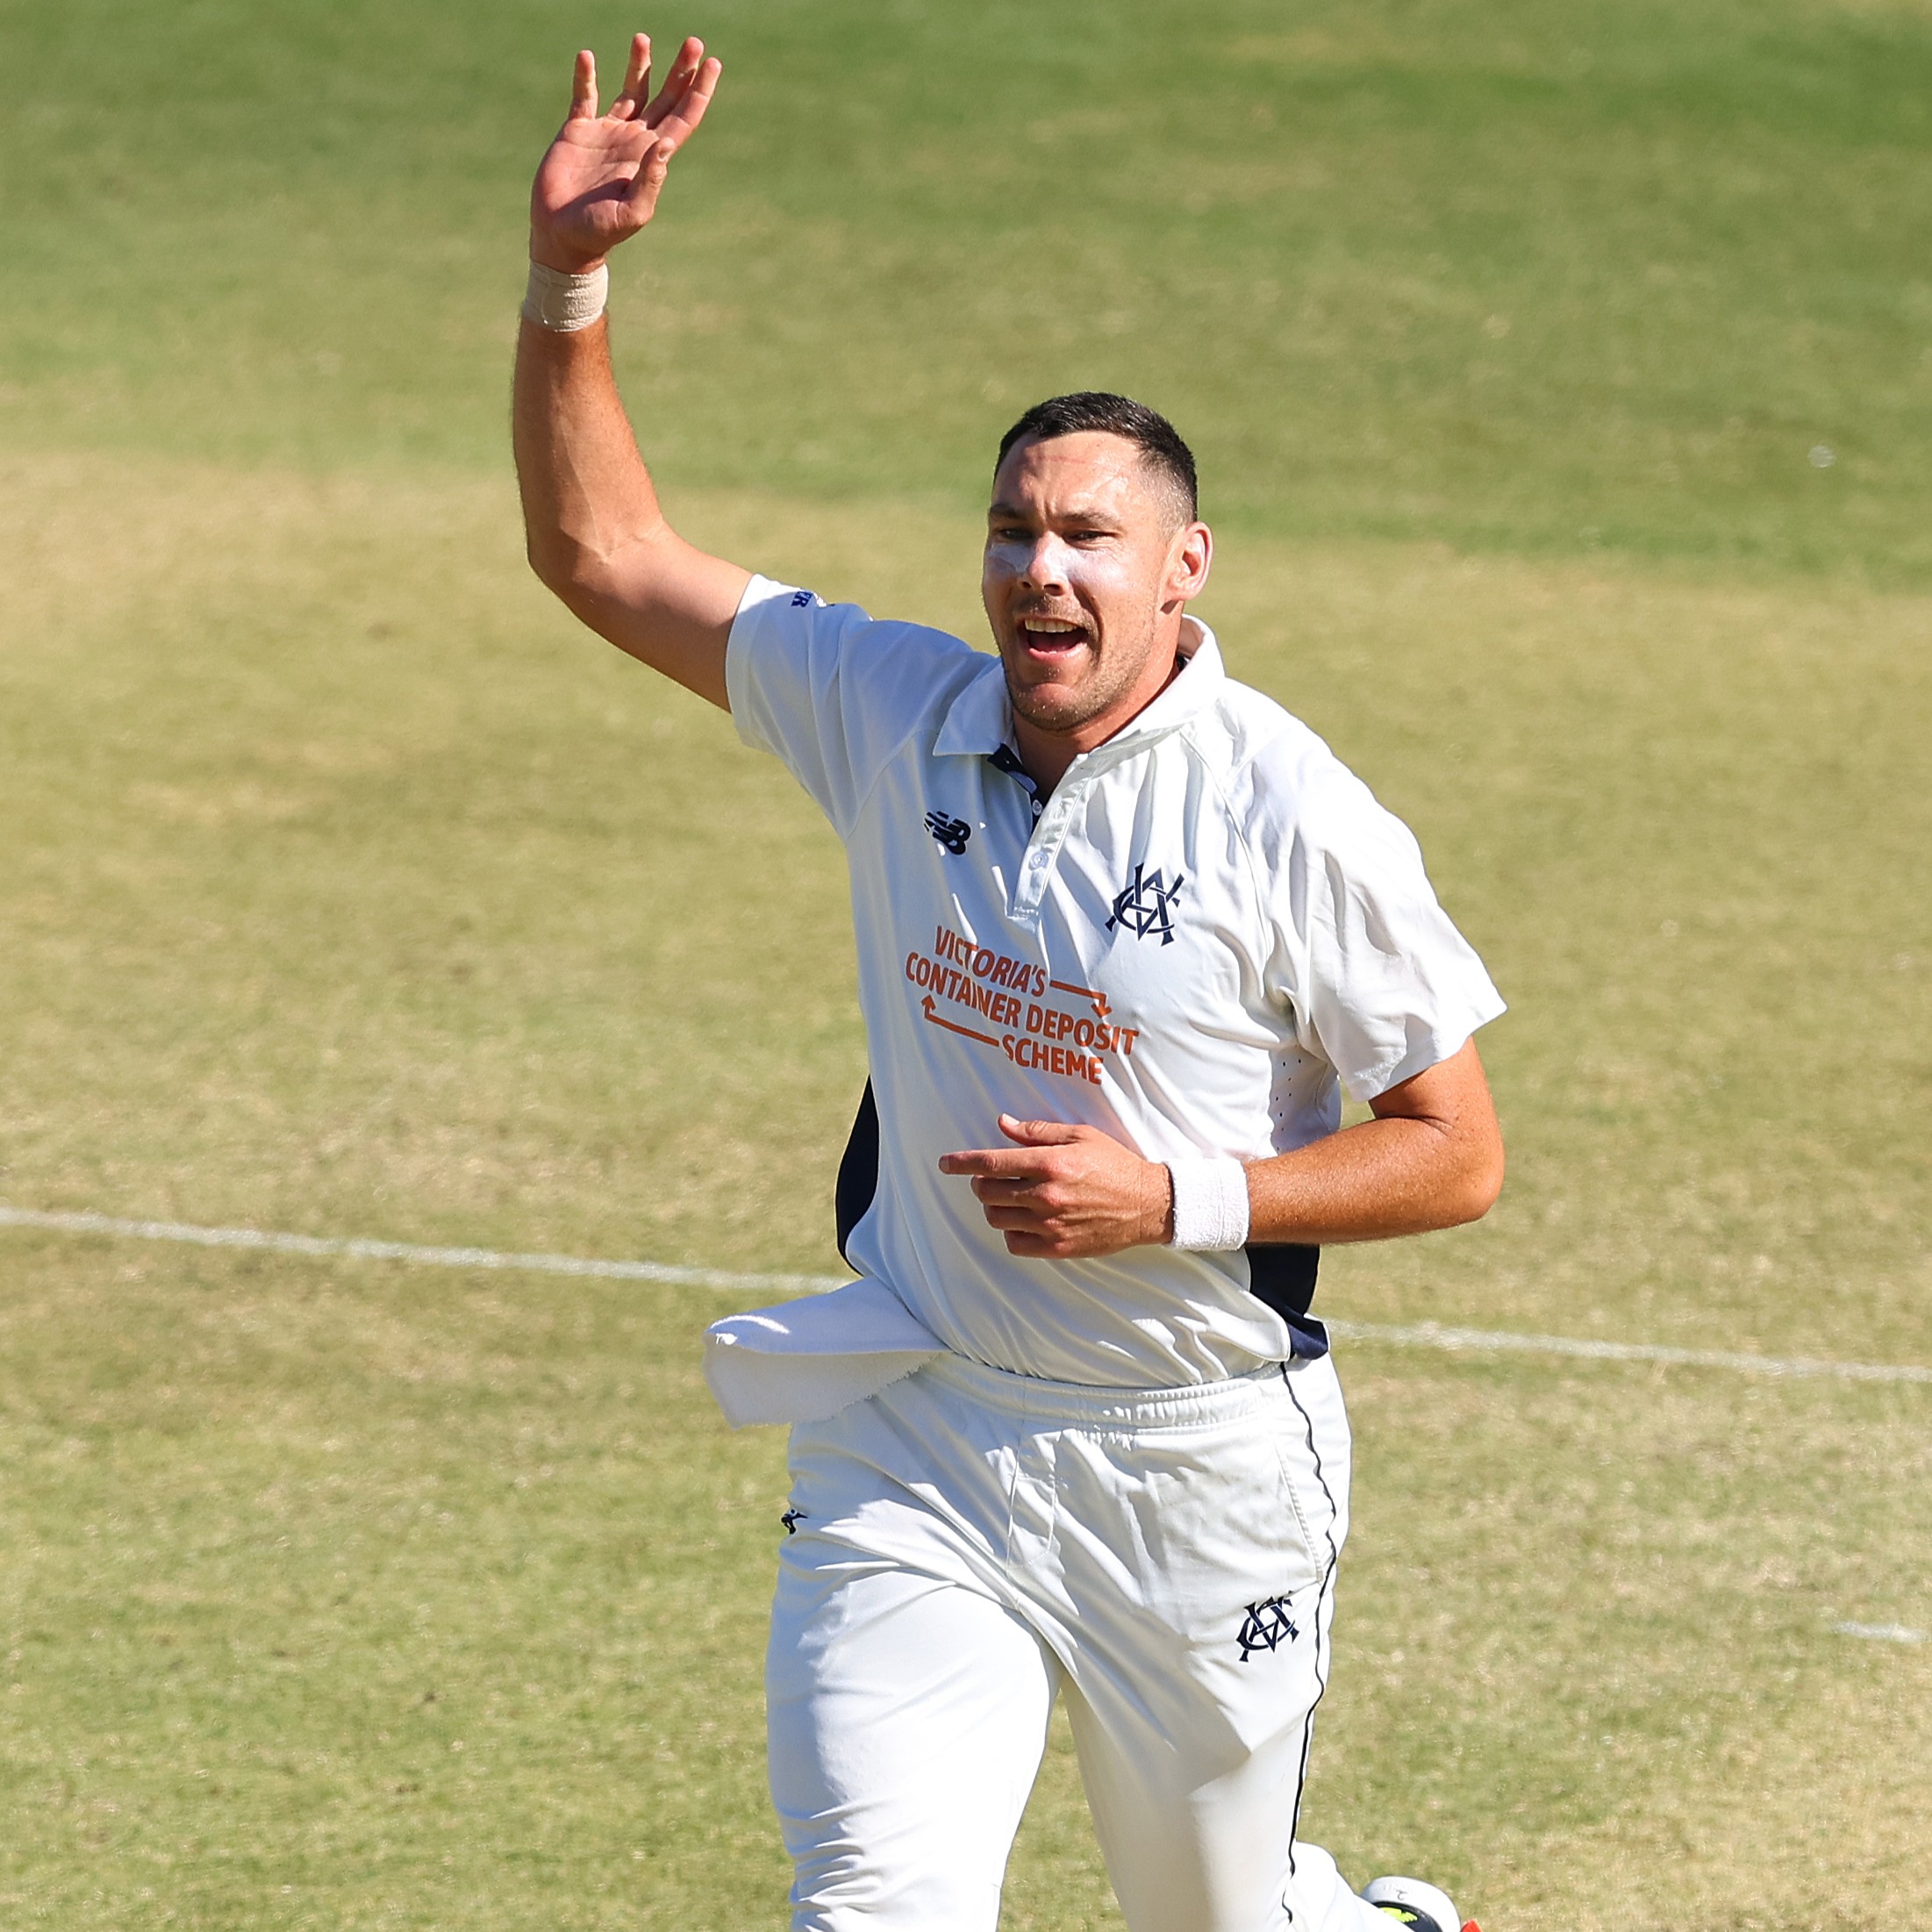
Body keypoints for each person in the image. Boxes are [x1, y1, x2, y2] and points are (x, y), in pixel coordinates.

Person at [512, 33, 1504, 1932]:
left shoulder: (1292, 811)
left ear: (1183, 567)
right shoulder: (896, 710)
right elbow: (599, 548)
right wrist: (572, 282)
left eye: (1086, 537)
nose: (1037, 570)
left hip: (1197, 1463)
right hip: (920, 1422)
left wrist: (1174, 1201)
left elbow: (1454, 1154)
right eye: (1010, 530)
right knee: (874, 1905)